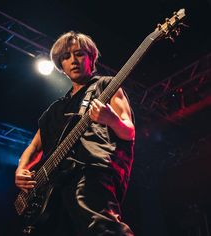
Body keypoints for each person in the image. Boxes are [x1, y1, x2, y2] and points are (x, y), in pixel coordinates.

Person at [15, 31, 135, 236]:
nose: (73, 61)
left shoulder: (106, 85)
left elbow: (128, 132)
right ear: (60, 66)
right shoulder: (55, 109)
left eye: (79, 54)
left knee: (102, 230)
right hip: (54, 186)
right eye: (66, 57)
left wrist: (111, 119)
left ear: (91, 57)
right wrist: (21, 169)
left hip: (91, 170)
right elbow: (34, 146)